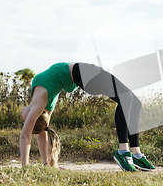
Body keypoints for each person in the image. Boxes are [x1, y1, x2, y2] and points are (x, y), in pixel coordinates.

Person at [20, 62, 155, 172]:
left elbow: (43, 133)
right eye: (27, 121)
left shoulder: (41, 103)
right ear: (34, 116)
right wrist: (25, 167)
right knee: (126, 99)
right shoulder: (40, 103)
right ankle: (123, 151)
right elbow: (25, 135)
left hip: (84, 76)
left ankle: (135, 153)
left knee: (135, 103)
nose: (22, 119)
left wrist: (47, 165)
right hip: (84, 74)